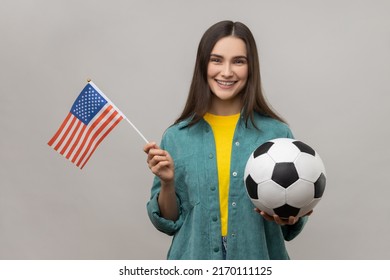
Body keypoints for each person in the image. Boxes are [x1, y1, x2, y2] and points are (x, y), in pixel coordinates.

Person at [144, 20, 309, 260]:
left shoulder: (277, 134)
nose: (227, 72)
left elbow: (290, 226)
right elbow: (168, 222)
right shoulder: (176, 137)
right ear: (203, 65)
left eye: (238, 61)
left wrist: (289, 214)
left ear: (251, 67)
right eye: (216, 60)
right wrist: (167, 183)